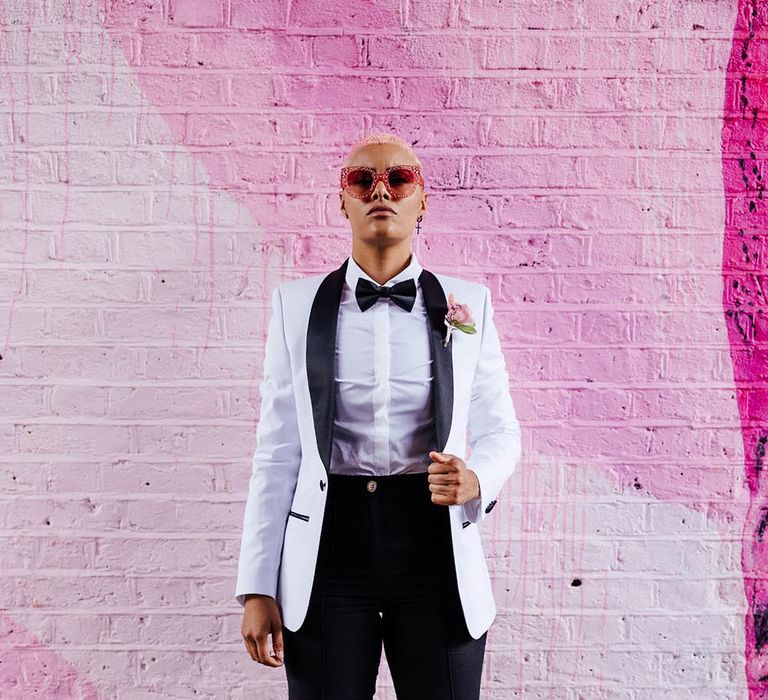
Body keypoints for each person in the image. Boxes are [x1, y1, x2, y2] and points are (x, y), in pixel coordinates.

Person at [235, 131, 521, 699]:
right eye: (362, 180)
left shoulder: (470, 305)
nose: (380, 191)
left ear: (423, 199)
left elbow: (500, 429)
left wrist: (476, 478)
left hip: (434, 544)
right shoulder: (296, 307)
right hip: (328, 548)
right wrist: (257, 586)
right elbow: (277, 452)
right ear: (342, 200)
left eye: (399, 178)